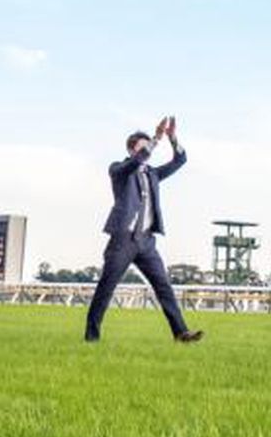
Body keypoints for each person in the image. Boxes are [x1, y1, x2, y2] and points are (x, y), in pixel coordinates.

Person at [84, 116, 203, 343]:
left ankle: (181, 333)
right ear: (131, 150)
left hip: (147, 242)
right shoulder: (119, 169)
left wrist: (172, 138)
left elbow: (181, 160)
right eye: (142, 148)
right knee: (106, 288)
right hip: (123, 239)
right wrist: (155, 139)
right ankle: (91, 337)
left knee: (164, 287)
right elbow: (135, 162)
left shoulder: (153, 174)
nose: (148, 152)